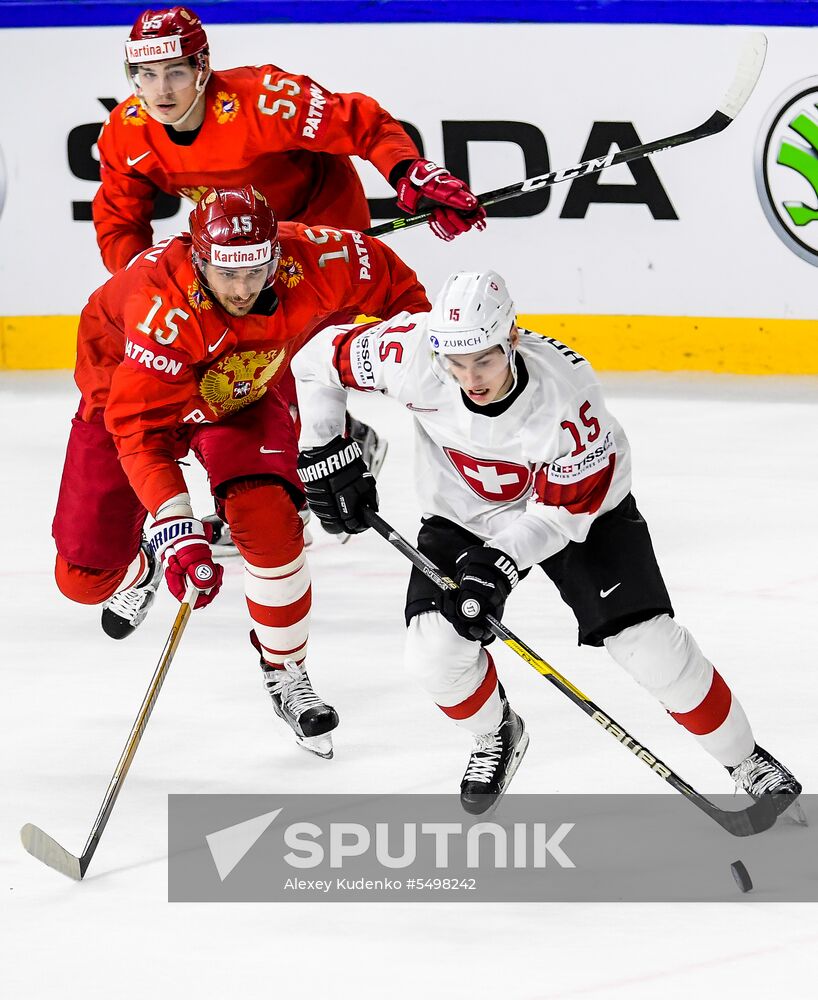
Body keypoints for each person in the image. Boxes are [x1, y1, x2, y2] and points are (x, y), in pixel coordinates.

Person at [292, 270, 803, 812]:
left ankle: (745, 759)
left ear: (511, 338)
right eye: (454, 361)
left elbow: (559, 517)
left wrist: (502, 561)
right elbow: (312, 361)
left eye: (483, 359)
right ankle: (497, 734)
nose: (469, 377)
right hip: (464, 512)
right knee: (433, 655)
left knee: (647, 646)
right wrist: (320, 447)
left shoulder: (567, 398)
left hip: (578, 511)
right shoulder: (411, 352)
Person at [93, 4, 483, 562]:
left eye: (176, 71)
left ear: (203, 69)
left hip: (313, 242)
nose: (160, 90)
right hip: (226, 259)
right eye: (145, 75)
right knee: (231, 373)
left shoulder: (263, 101)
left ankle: (284, 496)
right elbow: (118, 218)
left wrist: (408, 171)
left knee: (288, 364)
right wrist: (144, 291)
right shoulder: (126, 132)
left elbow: (361, 120)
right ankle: (326, 451)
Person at [52, 185, 430, 757]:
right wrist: (174, 520)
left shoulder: (317, 258)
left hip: (242, 392)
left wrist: (425, 379)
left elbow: (399, 289)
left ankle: (286, 670)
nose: (242, 289)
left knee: (271, 524)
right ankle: (148, 558)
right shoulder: (161, 308)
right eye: (226, 273)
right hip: (127, 405)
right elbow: (142, 434)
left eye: (255, 269)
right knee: (83, 579)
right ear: (196, 256)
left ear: (276, 253)